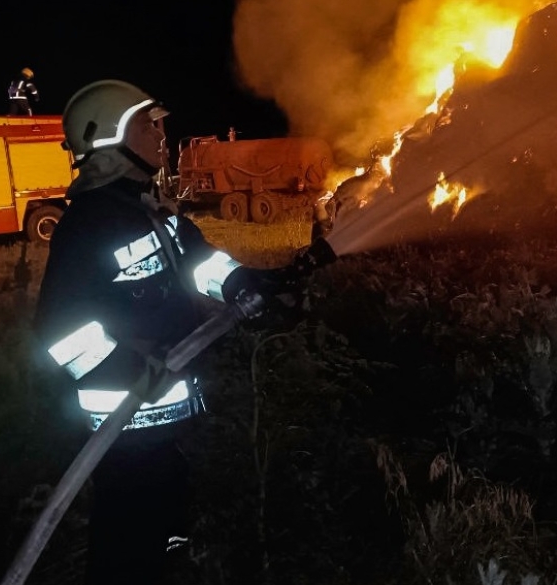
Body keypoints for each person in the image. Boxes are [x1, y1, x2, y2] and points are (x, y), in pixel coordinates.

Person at [32, 79, 334, 584]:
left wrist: (246, 284)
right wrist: (128, 366)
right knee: (126, 556)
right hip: (123, 434)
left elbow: (200, 264)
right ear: (107, 135)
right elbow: (59, 329)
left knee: (168, 543)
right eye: (146, 125)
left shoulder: (154, 215)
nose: (161, 136)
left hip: (166, 428)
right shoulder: (89, 225)